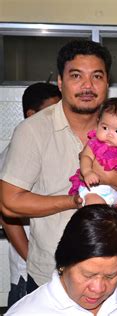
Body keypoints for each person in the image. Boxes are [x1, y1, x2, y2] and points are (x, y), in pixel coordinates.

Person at [0, 40, 117, 292]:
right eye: (77, 76)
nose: (87, 85)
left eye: (97, 76)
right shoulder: (33, 130)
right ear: (61, 83)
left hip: (113, 276)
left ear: (107, 83)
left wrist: (107, 175)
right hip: (51, 279)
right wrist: (75, 200)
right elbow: (9, 201)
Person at [6, 204, 117, 315]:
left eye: (110, 276)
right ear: (63, 263)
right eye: (88, 275)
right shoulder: (28, 312)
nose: (98, 288)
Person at [0, 82, 61, 307]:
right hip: (29, 276)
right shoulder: (15, 153)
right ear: (31, 115)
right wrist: (32, 261)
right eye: (51, 112)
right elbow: (8, 218)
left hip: (55, 271)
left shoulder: (52, 146)